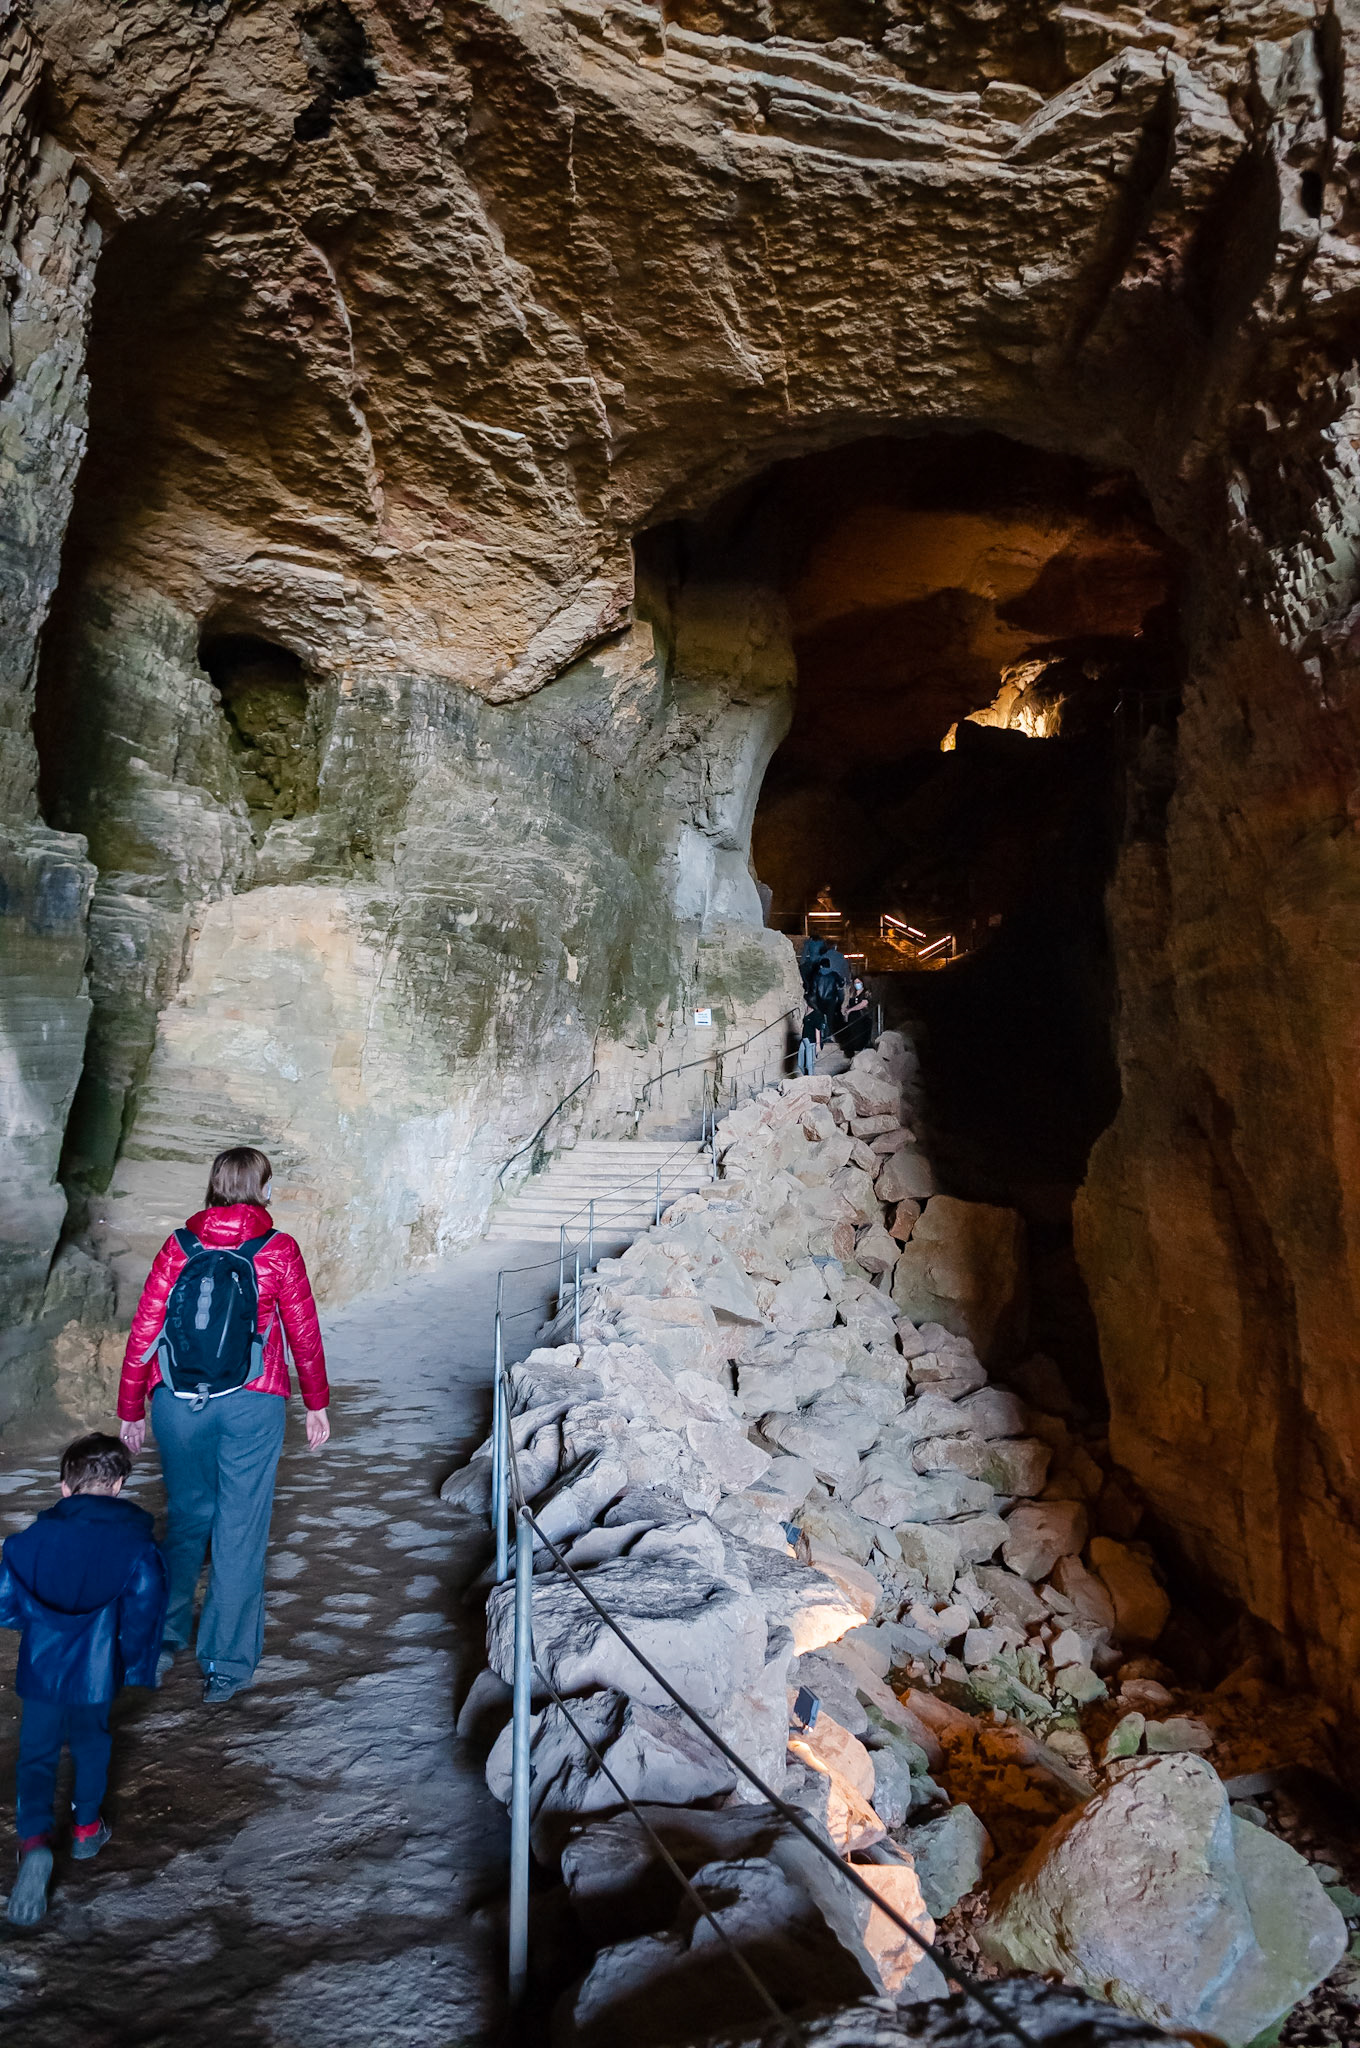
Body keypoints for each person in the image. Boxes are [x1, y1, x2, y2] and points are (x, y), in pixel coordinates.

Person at [116, 1146, 331, 1706]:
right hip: (252, 1402)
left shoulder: (179, 1244)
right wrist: (316, 1403)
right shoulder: (277, 1248)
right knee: (240, 1531)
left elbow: (146, 1329)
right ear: (263, 1188)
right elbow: (303, 1332)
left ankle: (159, 1642)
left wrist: (131, 1408)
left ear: (213, 1185)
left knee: (188, 1518)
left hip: (176, 1400)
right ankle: (225, 1666)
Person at [0, 1434, 167, 1927]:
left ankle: (34, 1839)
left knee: (36, 1752)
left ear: (64, 1487)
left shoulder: (26, 1543)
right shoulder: (137, 1545)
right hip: (97, 1671)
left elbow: (6, 1607)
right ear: (118, 1486)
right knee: (92, 1743)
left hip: (41, 1667)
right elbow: (143, 1613)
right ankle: (86, 1830)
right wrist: (132, 1663)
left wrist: (39, 1623)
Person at [842, 977, 872, 1055]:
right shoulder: (853, 993)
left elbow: (863, 1004)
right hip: (852, 1018)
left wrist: (851, 1009)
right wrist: (847, 1009)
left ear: (862, 983)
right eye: (855, 983)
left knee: (861, 1036)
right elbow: (850, 1004)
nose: (856, 984)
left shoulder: (866, 992)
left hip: (862, 1018)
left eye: (858, 982)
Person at [796, 1005, 822, 1074]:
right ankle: (806, 1077)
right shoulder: (807, 1010)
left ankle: (811, 1078)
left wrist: (818, 1044)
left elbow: (817, 1029)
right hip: (804, 1039)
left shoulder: (816, 1013)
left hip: (810, 1040)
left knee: (809, 1065)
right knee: (800, 1064)